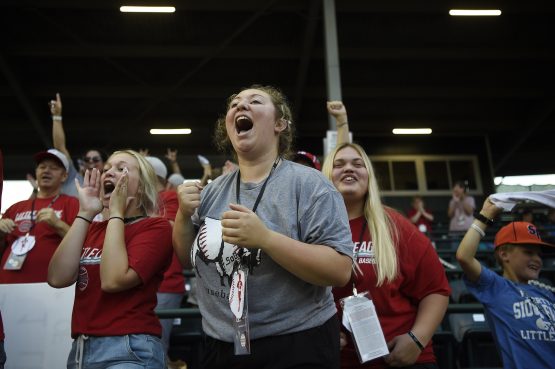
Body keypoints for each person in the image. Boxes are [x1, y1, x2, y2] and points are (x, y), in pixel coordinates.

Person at [172, 84, 353, 369]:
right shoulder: (210, 192)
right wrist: (183, 215)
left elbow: (339, 270)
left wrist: (266, 239)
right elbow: (185, 258)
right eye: (234, 104)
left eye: (255, 101)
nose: (240, 106)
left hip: (297, 342)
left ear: (280, 124)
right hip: (221, 344)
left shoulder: (311, 184)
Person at [322, 143, 450, 369]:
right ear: (325, 176)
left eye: (358, 164)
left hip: (400, 358)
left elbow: (435, 290)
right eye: (339, 164)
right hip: (337, 360)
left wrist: (417, 340)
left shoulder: (396, 226)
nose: (349, 168)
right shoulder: (311, 231)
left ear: (368, 176)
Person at [47, 149, 173, 369]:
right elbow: (57, 278)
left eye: (121, 168)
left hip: (130, 350)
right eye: (106, 169)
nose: (109, 173)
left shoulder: (155, 227)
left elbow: (113, 280)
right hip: (81, 351)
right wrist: (85, 212)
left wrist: (116, 212)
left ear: (142, 187)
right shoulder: (91, 228)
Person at [455, 199, 555, 368]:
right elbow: (464, 257)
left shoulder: (547, 292)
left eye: (539, 254)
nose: (537, 259)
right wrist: (486, 215)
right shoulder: (496, 286)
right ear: (504, 254)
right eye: (528, 252)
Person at [0, 149, 79, 283]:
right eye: (42, 167)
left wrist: (58, 224)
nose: (46, 171)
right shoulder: (15, 207)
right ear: (36, 172)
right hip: (7, 283)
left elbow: (85, 246)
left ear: (64, 176)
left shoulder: (73, 204)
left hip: (50, 286)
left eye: (53, 168)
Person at [145, 155, 186, 366]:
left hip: (166, 283)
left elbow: (165, 232)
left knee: (156, 347)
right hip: (142, 283)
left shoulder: (169, 196)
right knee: (145, 347)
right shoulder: (138, 202)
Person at [49, 93, 107, 197]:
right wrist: (57, 117)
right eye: (87, 159)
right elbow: (60, 147)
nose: (90, 162)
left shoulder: (111, 186)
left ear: (104, 164)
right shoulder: (73, 178)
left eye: (95, 159)